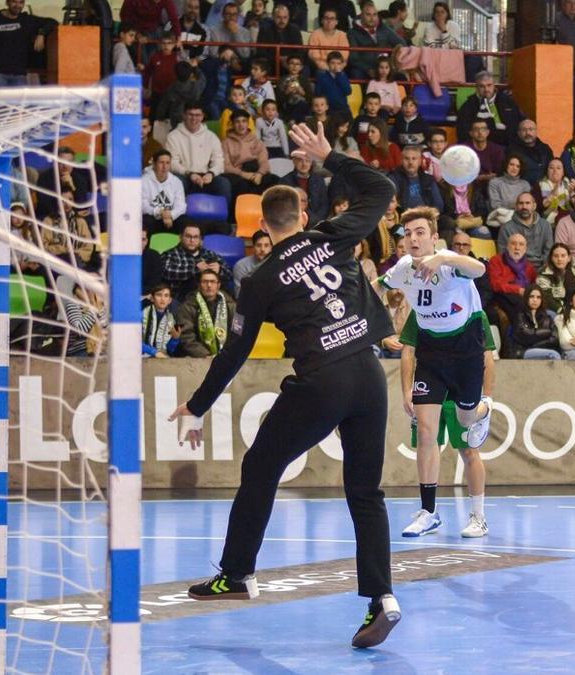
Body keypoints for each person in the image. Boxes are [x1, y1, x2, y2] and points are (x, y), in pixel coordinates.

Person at [171, 122, 402, 647]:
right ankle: (382, 599)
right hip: (368, 374)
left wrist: (198, 405)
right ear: (302, 216)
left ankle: (237, 573)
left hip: (321, 380)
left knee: (261, 465)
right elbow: (384, 190)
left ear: (260, 224)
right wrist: (330, 157)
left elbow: (235, 351)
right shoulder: (332, 235)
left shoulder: (257, 281)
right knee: (366, 492)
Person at [377, 206, 494, 538]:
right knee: (426, 432)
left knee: (467, 421)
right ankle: (428, 511)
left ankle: (484, 408)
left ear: (433, 237)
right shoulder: (403, 269)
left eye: (419, 233)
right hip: (431, 353)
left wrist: (445, 258)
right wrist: (378, 328)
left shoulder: (450, 264)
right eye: (407, 234)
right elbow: (374, 288)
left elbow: (479, 270)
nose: (412, 239)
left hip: (465, 352)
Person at [165, 104, 232, 230]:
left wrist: (211, 174)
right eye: (190, 114)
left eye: (197, 115)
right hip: (184, 174)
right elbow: (172, 162)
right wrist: (189, 174)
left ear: (202, 117)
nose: (194, 118)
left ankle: (223, 223)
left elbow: (218, 161)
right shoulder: (173, 136)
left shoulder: (211, 136)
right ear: (184, 115)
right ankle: (179, 221)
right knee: (177, 182)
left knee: (224, 183)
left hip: (206, 175)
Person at [0, 0, 57, 86]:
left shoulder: (27, 20)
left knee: (19, 100)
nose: (17, 5)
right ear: (7, 2)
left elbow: (52, 22)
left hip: (19, 74)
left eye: (21, 2)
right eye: (14, 2)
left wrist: (41, 34)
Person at [161, 223, 234, 300]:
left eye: (196, 237)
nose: (192, 240)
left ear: (200, 239)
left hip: (210, 298)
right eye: (188, 236)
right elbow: (166, 272)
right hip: (181, 299)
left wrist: (220, 270)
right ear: (180, 237)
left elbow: (230, 274)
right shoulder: (170, 254)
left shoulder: (209, 254)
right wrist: (195, 270)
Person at [175, 269, 237, 357]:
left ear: (218, 285)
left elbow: (239, 333)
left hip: (227, 356)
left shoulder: (232, 306)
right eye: (205, 282)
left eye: (212, 282)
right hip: (197, 358)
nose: (209, 285)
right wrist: (205, 355)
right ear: (199, 285)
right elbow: (186, 337)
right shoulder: (186, 307)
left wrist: (228, 354)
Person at [456, 71, 524, 147]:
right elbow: (462, 132)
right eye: (482, 86)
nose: (486, 89)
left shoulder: (508, 102)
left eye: (489, 85)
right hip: (479, 147)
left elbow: (520, 123)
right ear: (477, 87)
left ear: (494, 85)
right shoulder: (468, 106)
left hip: (507, 145)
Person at [223, 110, 278, 196]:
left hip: (256, 171)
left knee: (275, 180)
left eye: (244, 121)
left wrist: (259, 174)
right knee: (243, 185)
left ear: (248, 123)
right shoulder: (226, 143)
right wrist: (243, 174)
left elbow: (264, 161)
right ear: (232, 124)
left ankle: (267, 208)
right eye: (237, 122)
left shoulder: (256, 141)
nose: (241, 125)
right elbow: (225, 166)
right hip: (237, 173)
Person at [488, 233, 537, 326]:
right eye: (513, 243)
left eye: (521, 244)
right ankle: (521, 331)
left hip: (523, 297)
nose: (517, 247)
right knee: (518, 302)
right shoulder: (496, 261)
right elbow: (496, 284)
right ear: (507, 246)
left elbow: (534, 286)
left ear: (525, 249)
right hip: (502, 296)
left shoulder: (529, 267)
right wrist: (518, 290)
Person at [346, 0, 405, 80]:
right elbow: (354, 59)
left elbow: (402, 43)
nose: (372, 18)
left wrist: (392, 62)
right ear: (362, 15)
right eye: (368, 14)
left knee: (401, 77)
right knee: (356, 74)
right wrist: (368, 70)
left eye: (374, 14)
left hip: (385, 67)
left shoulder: (384, 28)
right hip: (365, 69)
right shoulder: (352, 33)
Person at [495, 192, 552, 267]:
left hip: (541, 269)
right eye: (521, 203)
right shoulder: (506, 228)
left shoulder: (545, 225)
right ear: (516, 206)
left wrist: (543, 270)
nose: (524, 206)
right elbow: (503, 255)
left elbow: (549, 251)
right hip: (516, 269)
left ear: (534, 206)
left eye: (528, 203)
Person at [554, 0, 575, 125]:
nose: (573, 7)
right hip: (561, 71)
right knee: (561, 104)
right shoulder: (556, 21)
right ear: (563, 4)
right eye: (570, 3)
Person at [141, 150, 189, 234]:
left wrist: (171, 215)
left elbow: (181, 205)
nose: (164, 166)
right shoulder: (144, 181)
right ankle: (145, 246)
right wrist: (160, 212)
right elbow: (143, 205)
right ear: (154, 164)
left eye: (167, 163)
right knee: (146, 220)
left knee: (185, 221)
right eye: (161, 162)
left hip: (170, 219)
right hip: (153, 218)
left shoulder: (176, 181)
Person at [279, 151, 331, 225]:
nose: (304, 164)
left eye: (307, 161)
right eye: (300, 160)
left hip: (318, 222)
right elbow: (285, 206)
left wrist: (317, 219)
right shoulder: (285, 181)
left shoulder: (319, 180)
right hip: (295, 221)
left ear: (311, 163)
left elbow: (324, 204)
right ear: (294, 162)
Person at [511, 285, 561, 359]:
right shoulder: (519, 315)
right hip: (523, 351)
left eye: (538, 297)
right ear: (526, 298)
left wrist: (536, 343)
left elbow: (555, 339)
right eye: (531, 296)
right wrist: (547, 332)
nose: (535, 300)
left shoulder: (547, 317)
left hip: (543, 349)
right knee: (553, 355)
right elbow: (525, 336)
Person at [536, 243, 575, 313]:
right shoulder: (544, 273)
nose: (559, 259)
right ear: (551, 258)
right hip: (553, 309)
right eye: (556, 256)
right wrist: (561, 310)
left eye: (563, 256)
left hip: (574, 307)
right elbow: (546, 297)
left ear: (569, 258)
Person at [509, 119, 555, 186]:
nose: (527, 133)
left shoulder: (545, 149)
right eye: (524, 130)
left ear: (536, 131)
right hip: (524, 190)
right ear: (519, 133)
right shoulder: (512, 151)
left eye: (531, 129)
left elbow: (552, 167)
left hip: (546, 188)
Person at [142, 283, 181, 358]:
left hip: (161, 359)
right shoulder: (141, 315)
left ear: (170, 300)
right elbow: (133, 341)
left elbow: (170, 350)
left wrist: (175, 339)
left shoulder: (171, 319)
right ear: (152, 298)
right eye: (159, 295)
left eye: (166, 296)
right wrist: (154, 352)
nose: (162, 299)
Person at [232, 229, 273, 297]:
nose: (262, 249)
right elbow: (239, 295)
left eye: (266, 245)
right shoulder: (241, 266)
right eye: (258, 245)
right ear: (253, 247)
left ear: (271, 247)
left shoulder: (277, 263)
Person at [536, 158, 575, 223]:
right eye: (551, 168)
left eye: (558, 168)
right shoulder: (539, 185)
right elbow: (540, 207)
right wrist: (552, 193)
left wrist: (571, 193)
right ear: (547, 171)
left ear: (563, 172)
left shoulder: (567, 183)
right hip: (546, 221)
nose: (555, 170)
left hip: (568, 218)